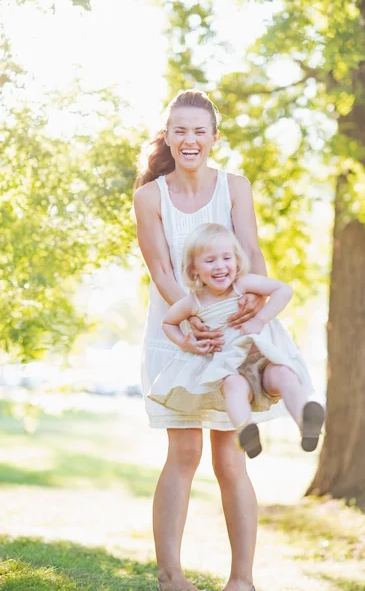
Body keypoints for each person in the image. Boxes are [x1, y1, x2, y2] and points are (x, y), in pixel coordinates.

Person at [133, 88, 309, 591]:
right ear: (167, 137)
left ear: (213, 137)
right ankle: (171, 577)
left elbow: (250, 250)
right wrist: (189, 323)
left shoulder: (235, 185)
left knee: (230, 459)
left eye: (199, 130)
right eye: (179, 130)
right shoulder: (150, 196)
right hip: (177, 332)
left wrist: (249, 310)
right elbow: (162, 268)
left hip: (231, 331)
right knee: (183, 454)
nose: (190, 139)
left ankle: (242, 581)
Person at [148, 223, 324, 459]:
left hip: (264, 361)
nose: (220, 266)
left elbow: (284, 290)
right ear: (194, 270)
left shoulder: (243, 286)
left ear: (237, 261)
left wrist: (260, 319)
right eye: (210, 261)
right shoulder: (194, 302)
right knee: (233, 386)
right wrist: (185, 342)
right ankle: (247, 431)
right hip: (232, 369)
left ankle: (306, 420)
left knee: (285, 373)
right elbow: (168, 323)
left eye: (226, 258)